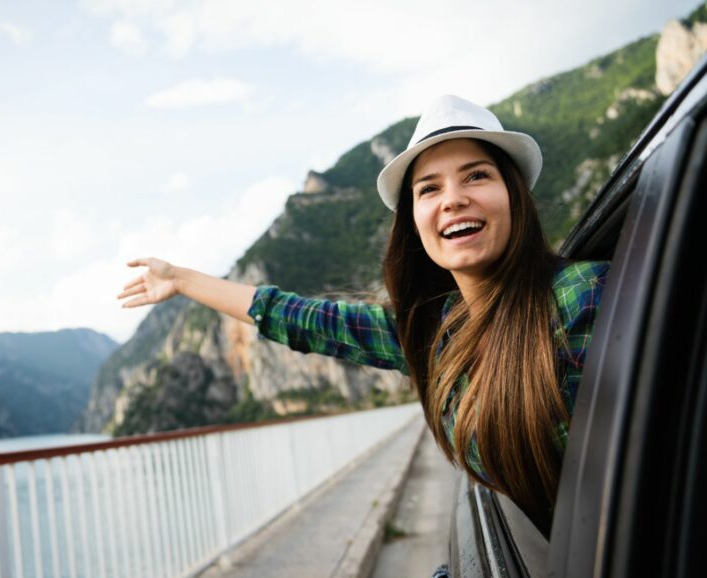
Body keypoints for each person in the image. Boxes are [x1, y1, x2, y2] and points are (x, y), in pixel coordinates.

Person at [117, 95, 609, 535]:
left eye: (476, 175)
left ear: (515, 195)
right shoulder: (436, 333)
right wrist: (181, 280)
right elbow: (309, 320)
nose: (453, 198)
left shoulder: (583, 298)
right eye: (429, 189)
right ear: (414, 224)